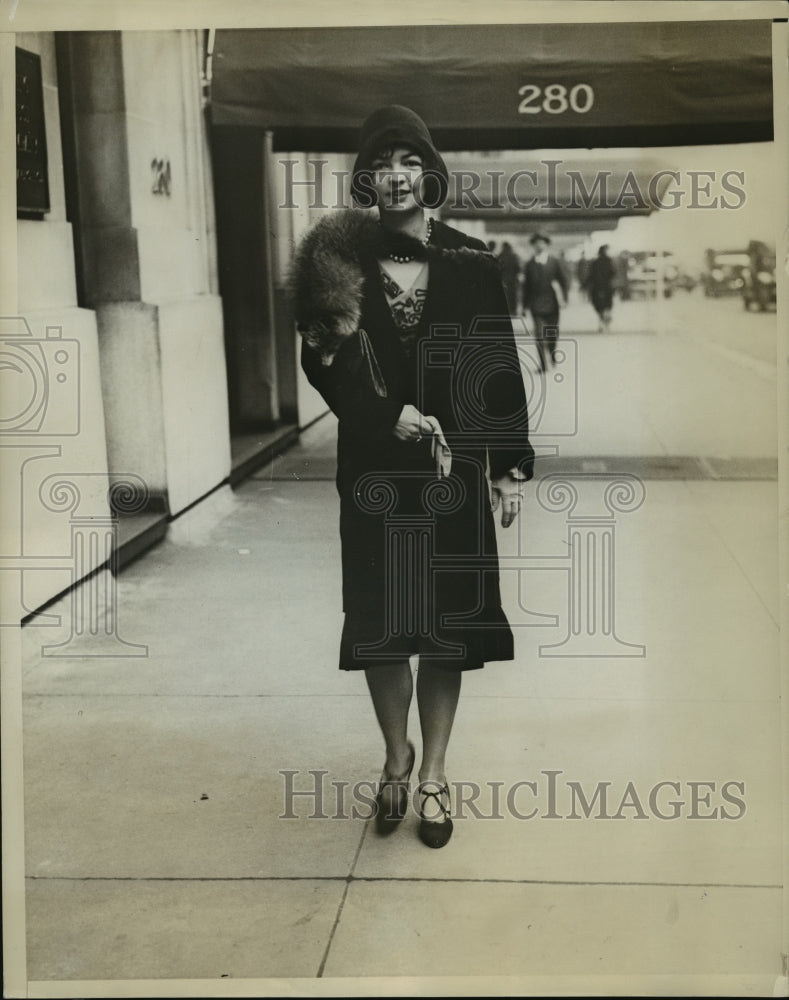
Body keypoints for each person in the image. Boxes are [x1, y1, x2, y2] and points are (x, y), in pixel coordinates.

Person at [291, 106, 534, 849]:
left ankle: (432, 773)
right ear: (366, 178)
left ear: (427, 172)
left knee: (444, 631)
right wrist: (379, 414)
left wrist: (508, 467)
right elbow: (319, 360)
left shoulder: (470, 262)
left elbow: (496, 367)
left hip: (451, 471)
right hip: (375, 472)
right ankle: (393, 760)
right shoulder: (333, 265)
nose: (394, 176)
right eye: (381, 163)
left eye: (407, 161)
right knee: (384, 631)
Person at [521, 232, 568, 372]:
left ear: (546, 245)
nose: (539, 245)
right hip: (536, 306)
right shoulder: (529, 265)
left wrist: (564, 298)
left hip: (553, 305)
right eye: (536, 243)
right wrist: (524, 306)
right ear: (533, 246)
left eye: (542, 243)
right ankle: (542, 365)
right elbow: (526, 287)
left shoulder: (554, 262)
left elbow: (563, 281)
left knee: (552, 335)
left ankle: (552, 355)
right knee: (540, 336)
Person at [585, 244, 616, 331]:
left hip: (597, 287)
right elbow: (613, 273)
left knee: (599, 306)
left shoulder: (595, 262)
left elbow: (590, 275)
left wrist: (586, 285)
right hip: (607, 287)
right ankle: (606, 322)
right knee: (607, 305)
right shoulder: (609, 261)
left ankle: (601, 322)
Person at [497, 241, 522, 315]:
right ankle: (513, 311)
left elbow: (498, 268)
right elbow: (518, 268)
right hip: (513, 280)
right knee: (513, 296)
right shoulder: (514, 256)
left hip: (503, 279)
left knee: (505, 296)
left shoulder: (500, 256)